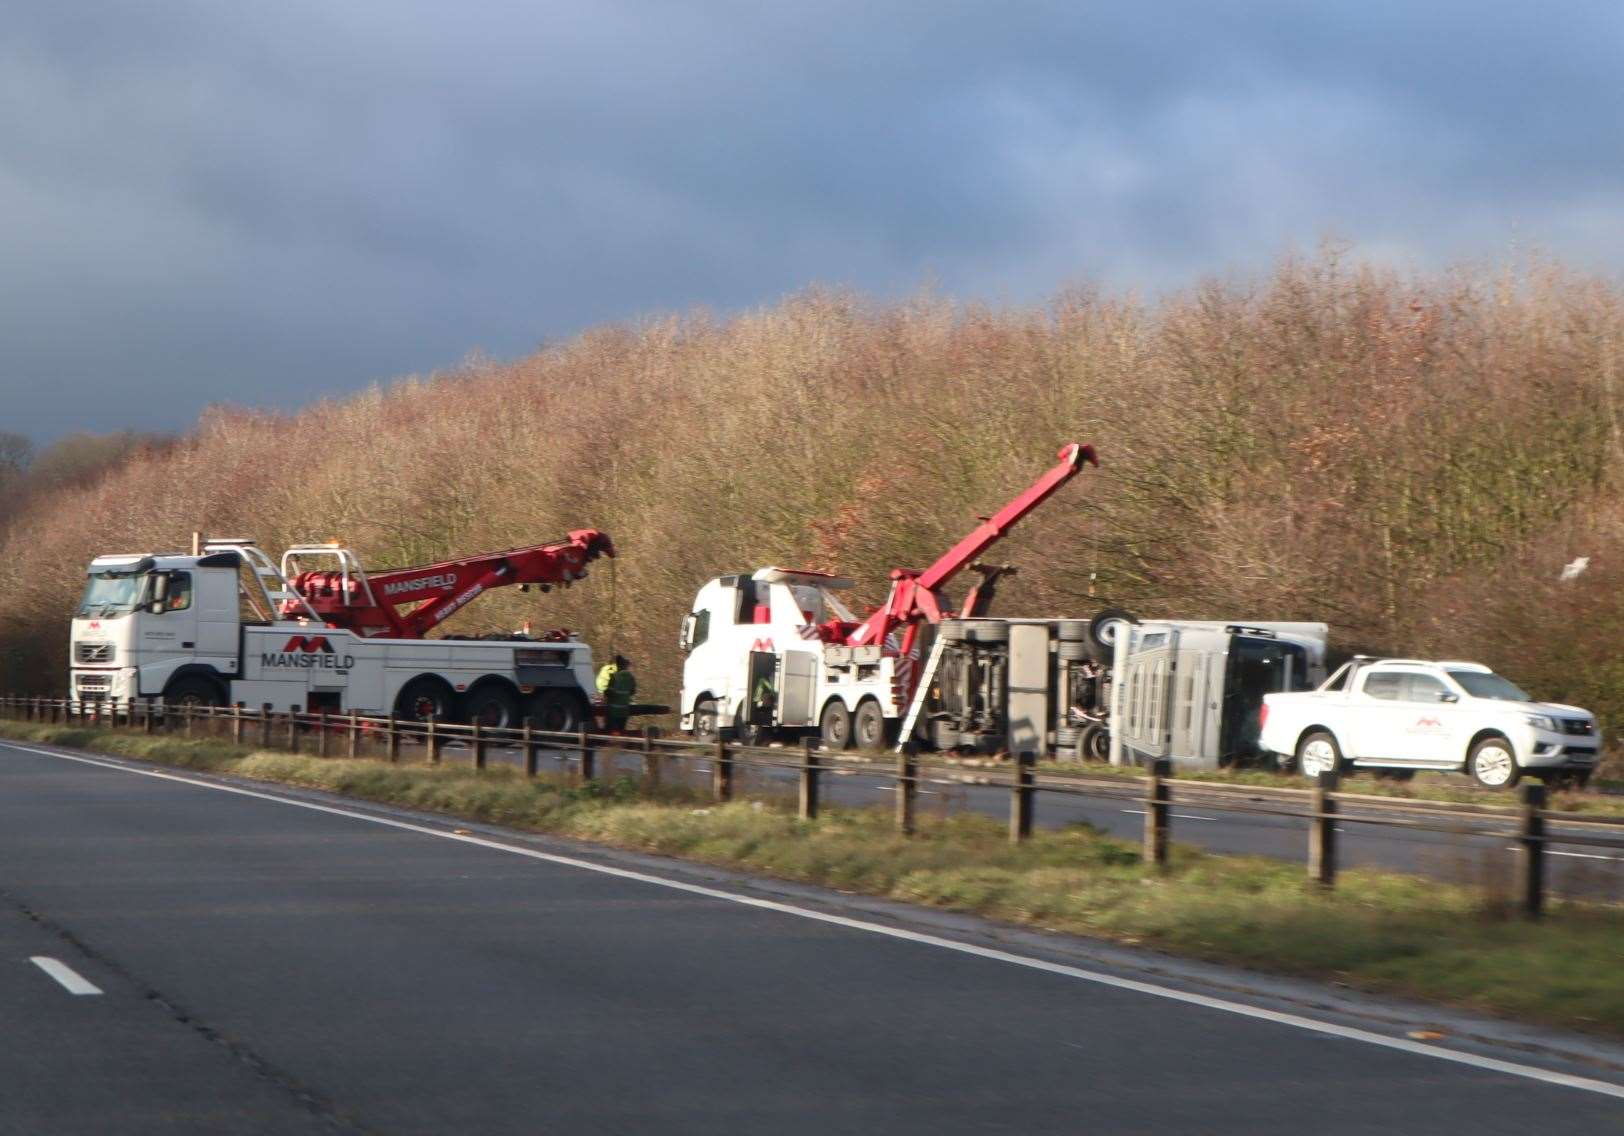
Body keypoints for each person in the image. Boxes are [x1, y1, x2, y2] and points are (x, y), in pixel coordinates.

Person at [596, 654, 636, 734]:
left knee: (609, 733)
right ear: (625, 665)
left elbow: (608, 693)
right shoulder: (631, 677)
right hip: (624, 711)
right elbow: (633, 692)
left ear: (617, 665)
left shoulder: (614, 677)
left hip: (613, 712)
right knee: (621, 732)